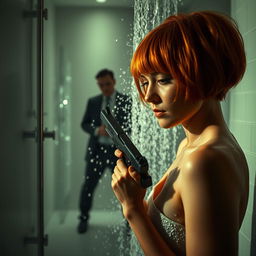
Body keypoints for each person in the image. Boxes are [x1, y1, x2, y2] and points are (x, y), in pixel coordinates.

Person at [111, 11, 249, 255]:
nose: (148, 96)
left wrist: (133, 210)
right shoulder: (191, 146)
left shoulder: (204, 160)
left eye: (164, 80)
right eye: (144, 82)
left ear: (205, 73)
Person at [78, 69, 131, 233]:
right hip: (97, 150)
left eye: (107, 84)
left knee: (126, 188)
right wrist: (96, 130)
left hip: (118, 153)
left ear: (114, 82)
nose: (105, 88)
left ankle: (130, 221)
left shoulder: (126, 100)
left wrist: (117, 132)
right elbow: (84, 124)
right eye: (101, 85)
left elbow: (133, 124)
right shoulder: (93, 101)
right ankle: (83, 219)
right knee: (88, 186)